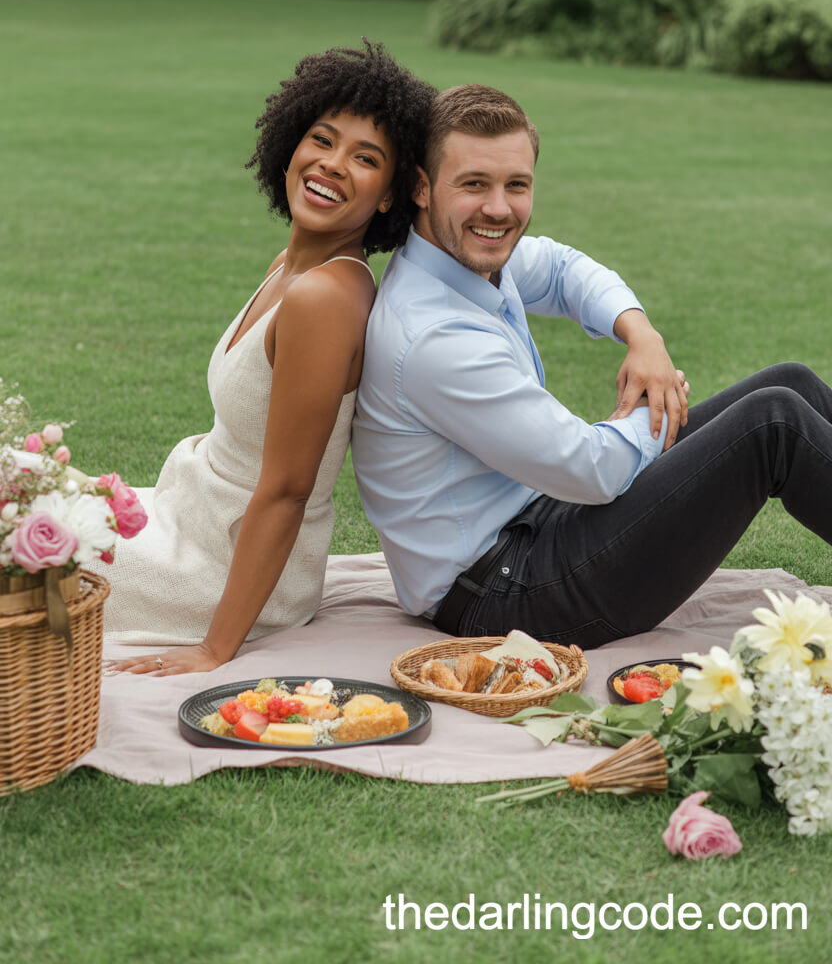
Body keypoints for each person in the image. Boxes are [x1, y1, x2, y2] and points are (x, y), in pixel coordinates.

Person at [351, 83, 832, 647]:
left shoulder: (462, 257)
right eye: (474, 184)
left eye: (516, 185)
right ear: (422, 188)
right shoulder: (433, 336)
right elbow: (590, 469)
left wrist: (642, 335)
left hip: (537, 525)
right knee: (773, 424)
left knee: (790, 381)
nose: (499, 208)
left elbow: (560, 269)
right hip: (506, 597)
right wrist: (659, 405)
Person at [106, 42, 435, 675]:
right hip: (189, 514)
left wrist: (214, 648)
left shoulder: (324, 298)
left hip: (225, 568)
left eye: (365, 159)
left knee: (32, 543)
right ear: (290, 144)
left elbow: (287, 491)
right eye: (322, 139)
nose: (333, 165)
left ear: (391, 195)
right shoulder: (293, 266)